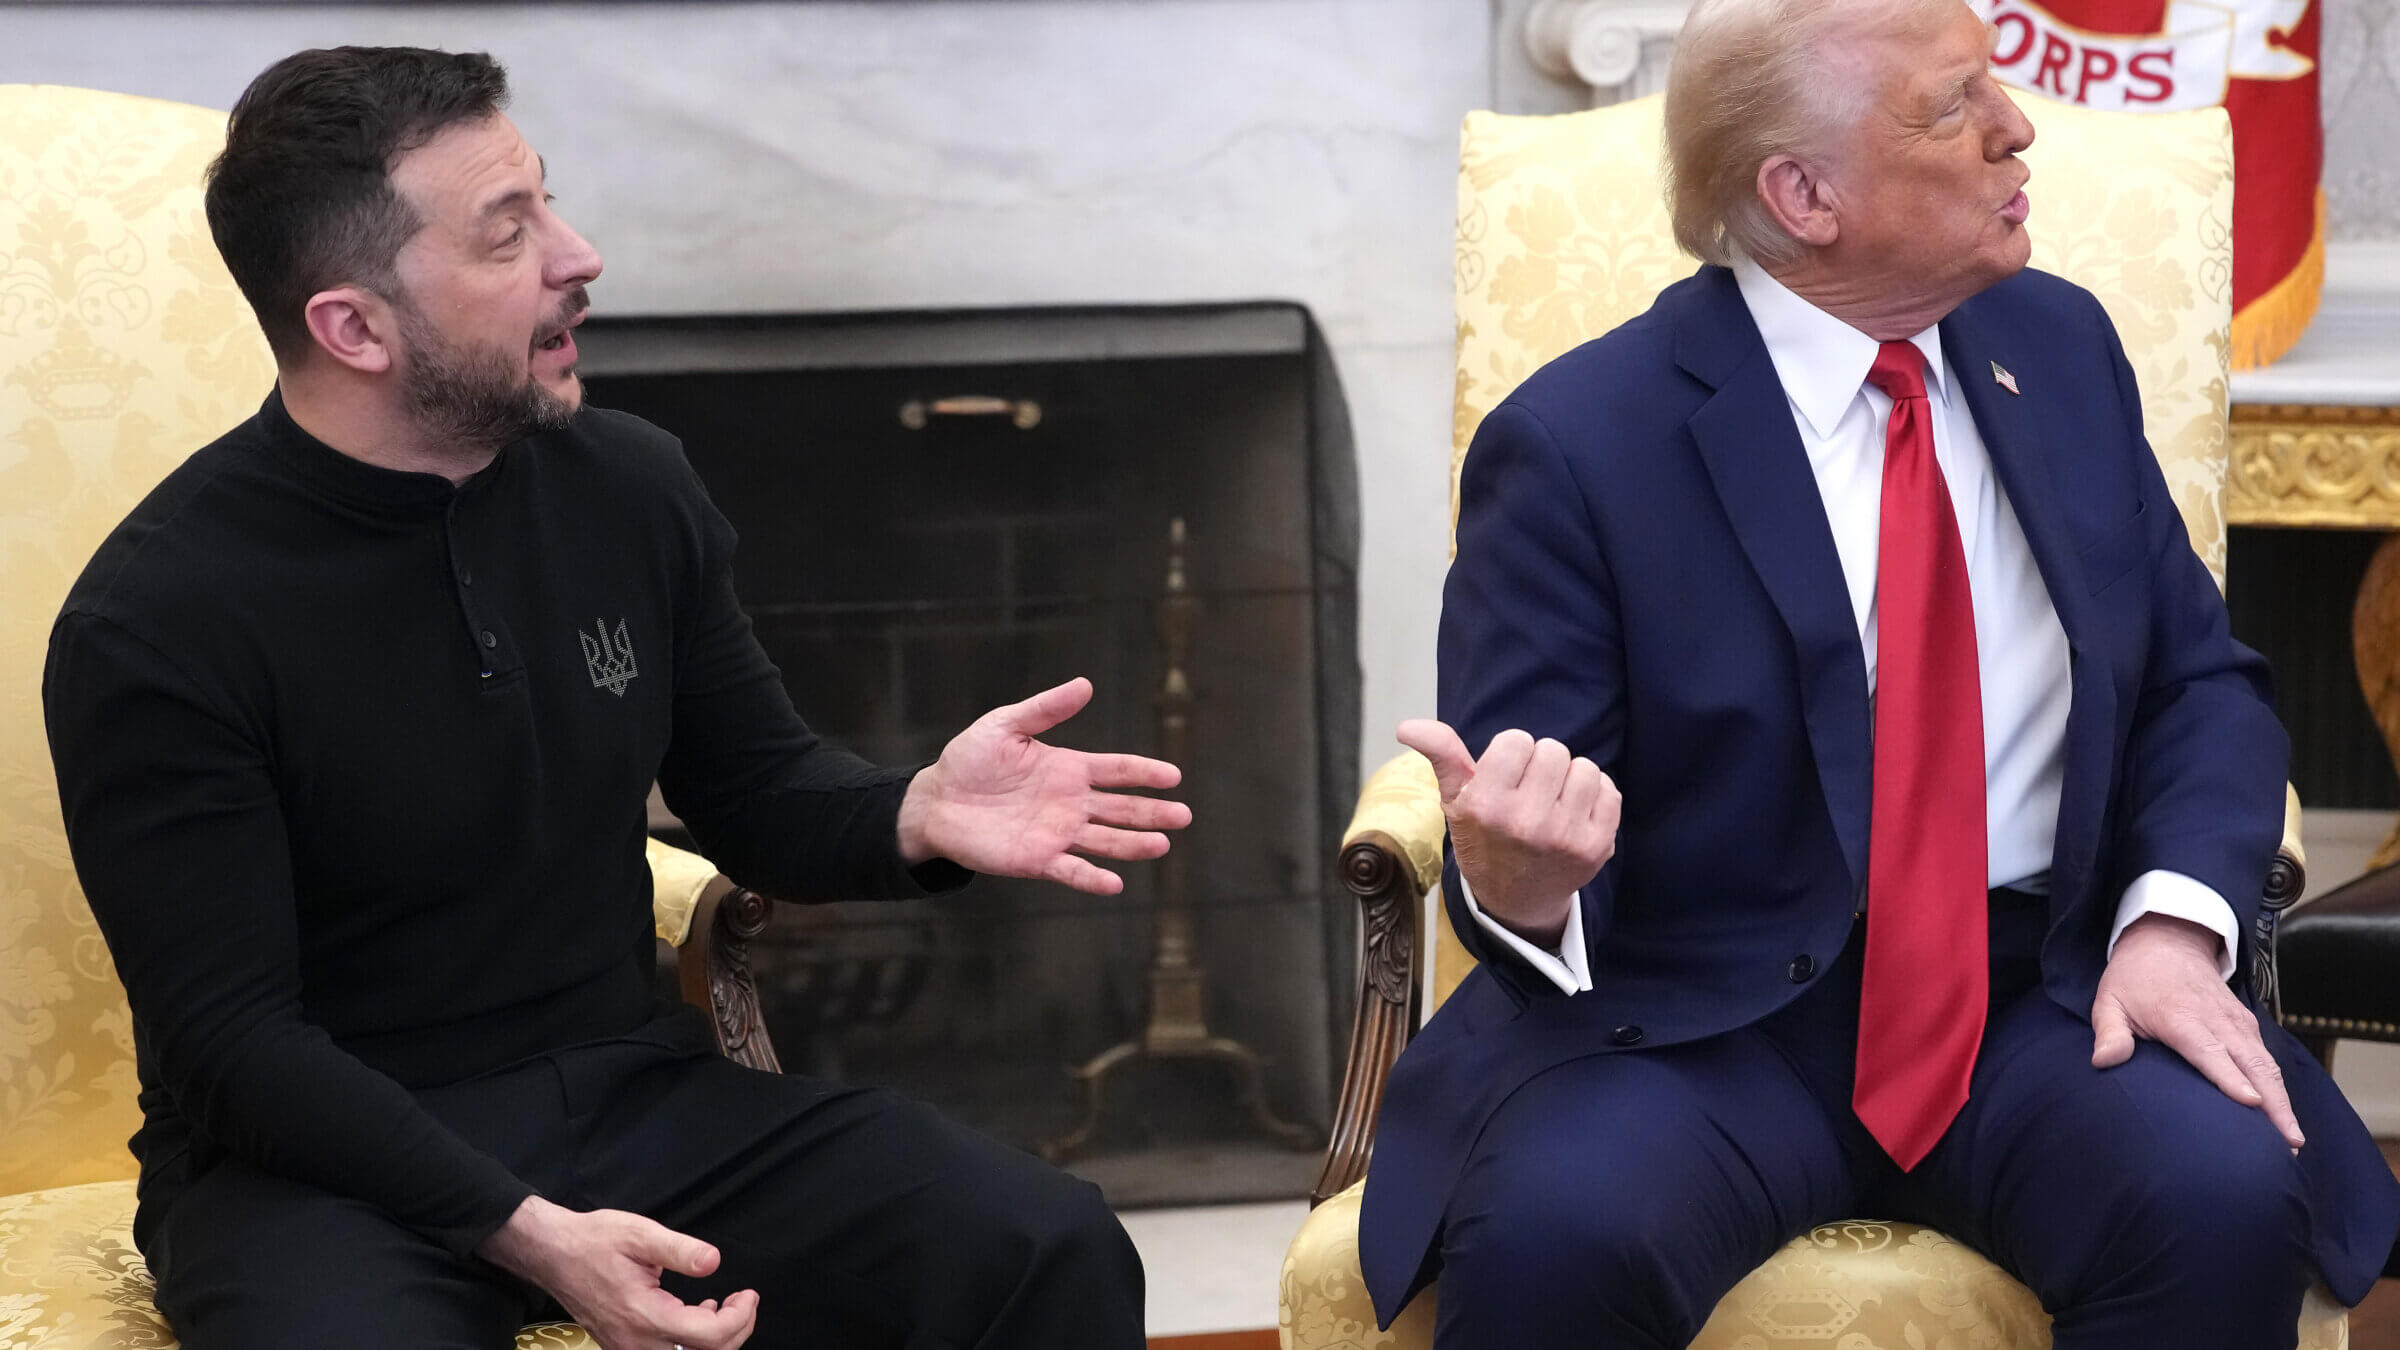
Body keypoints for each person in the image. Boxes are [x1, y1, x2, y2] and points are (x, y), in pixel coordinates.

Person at [42, 46, 1188, 1350]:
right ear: (352, 326)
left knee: (1042, 1246)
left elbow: (757, 795)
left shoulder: (629, 490)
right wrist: (525, 1226)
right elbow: (236, 1045)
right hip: (309, 1171)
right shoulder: (160, 618)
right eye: (508, 233)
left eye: (551, 202)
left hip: (627, 1101)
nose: (578, 255)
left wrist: (915, 810)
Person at [1359, 0, 2400, 1344]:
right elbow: (1529, 812)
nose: (2017, 130)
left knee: (2219, 1189)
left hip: (2038, 989)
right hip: (1699, 1018)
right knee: (1562, 1229)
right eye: (1954, 105)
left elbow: (2200, 686)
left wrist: (2169, 921)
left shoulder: (2062, 352)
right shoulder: (1574, 447)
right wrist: (1519, 879)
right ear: (1802, 194)